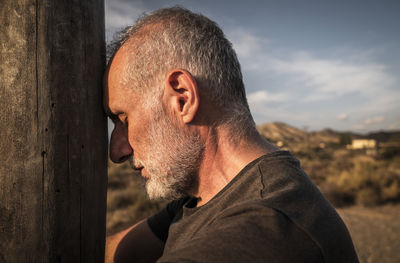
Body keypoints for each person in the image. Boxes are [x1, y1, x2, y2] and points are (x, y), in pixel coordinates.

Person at [103, 6, 358, 263]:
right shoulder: (200, 199)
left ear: (182, 98)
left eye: (124, 120)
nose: (117, 152)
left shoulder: (268, 228)